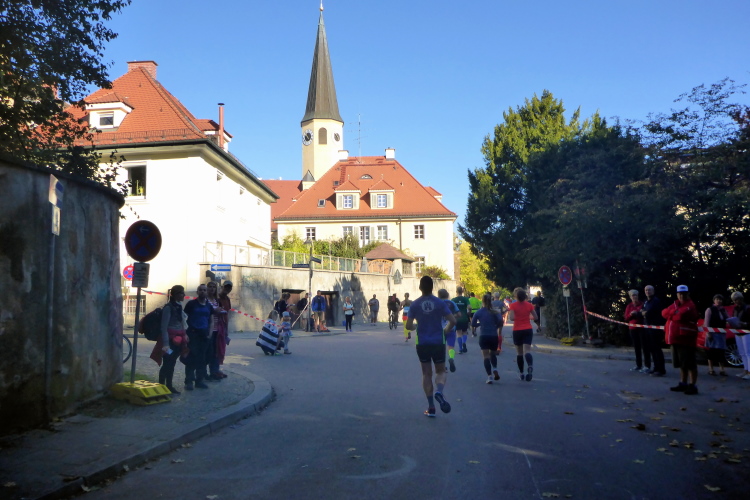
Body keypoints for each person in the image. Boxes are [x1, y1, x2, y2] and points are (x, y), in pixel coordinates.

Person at [405, 276, 456, 417]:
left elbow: (408, 325)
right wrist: (445, 331)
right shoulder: (440, 303)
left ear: (420, 287)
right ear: (432, 287)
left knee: (426, 374)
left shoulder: (415, 304)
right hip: (438, 342)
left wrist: (415, 327)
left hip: (422, 343)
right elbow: (453, 321)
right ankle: (439, 391)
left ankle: (431, 407)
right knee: (441, 371)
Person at [662, 285, 700, 395]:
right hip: (675, 338)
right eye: (680, 294)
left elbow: (681, 316)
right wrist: (673, 313)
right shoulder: (675, 304)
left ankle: (692, 385)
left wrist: (671, 314)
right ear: (677, 294)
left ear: (688, 294)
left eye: (684, 294)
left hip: (686, 339)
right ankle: (683, 383)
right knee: (681, 363)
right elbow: (663, 313)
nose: (682, 296)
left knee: (690, 363)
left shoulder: (690, 305)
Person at [150, 285, 187, 394]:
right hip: (169, 342)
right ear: (176, 294)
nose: (184, 295)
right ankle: (162, 385)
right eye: (182, 293)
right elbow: (164, 327)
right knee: (167, 363)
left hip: (177, 341)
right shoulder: (168, 308)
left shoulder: (178, 306)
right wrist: (166, 344)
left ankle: (169, 385)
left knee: (172, 362)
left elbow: (181, 323)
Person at [183, 284, 220, 390]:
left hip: (204, 335)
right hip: (193, 334)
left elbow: (211, 320)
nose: (203, 291)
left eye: (204, 290)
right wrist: (185, 333)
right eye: (200, 290)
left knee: (203, 359)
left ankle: (199, 380)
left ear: (206, 292)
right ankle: (189, 381)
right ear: (197, 292)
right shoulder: (191, 304)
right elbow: (184, 318)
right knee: (191, 358)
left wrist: (210, 333)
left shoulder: (209, 306)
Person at [471, 293, 504, 384]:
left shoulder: (479, 312)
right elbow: (500, 321)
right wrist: (496, 326)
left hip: (484, 335)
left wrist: (480, 324)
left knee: (486, 356)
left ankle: (489, 376)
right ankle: (495, 368)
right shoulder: (495, 312)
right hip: (493, 335)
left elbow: (473, 324)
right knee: (493, 354)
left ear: (482, 301)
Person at [508, 287, 538, 381]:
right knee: (527, 351)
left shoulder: (513, 305)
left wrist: (517, 315)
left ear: (516, 296)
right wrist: (528, 317)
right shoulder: (529, 305)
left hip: (517, 330)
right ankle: (530, 365)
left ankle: (521, 373)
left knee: (519, 353)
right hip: (528, 329)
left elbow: (512, 318)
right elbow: (536, 317)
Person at [641, 285, 666, 376]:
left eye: (649, 290)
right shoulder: (646, 301)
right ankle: (655, 367)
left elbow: (650, 313)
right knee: (652, 349)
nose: (648, 291)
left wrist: (645, 313)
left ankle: (661, 369)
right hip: (647, 328)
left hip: (655, 328)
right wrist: (644, 313)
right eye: (646, 290)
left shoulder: (656, 301)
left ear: (653, 291)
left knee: (657, 349)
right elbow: (642, 311)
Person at [625, 289, 650, 373]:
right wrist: (631, 314)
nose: (634, 297)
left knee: (645, 347)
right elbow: (626, 318)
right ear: (630, 297)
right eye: (632, 295)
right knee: (636, 347)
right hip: (633, 328)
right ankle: (638, 365)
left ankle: (647, 365)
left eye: (635, 295)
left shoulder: (642, 304)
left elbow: (644, 314)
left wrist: (638, 313)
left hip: (642, 328)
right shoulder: (629, 306)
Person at [704, 294, 729, 376]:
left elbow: (728, 319)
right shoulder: (710, 309)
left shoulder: (723, 310)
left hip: (721, 334)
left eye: (720, 299)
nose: (719, 301)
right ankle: (711, 369)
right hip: (712, 334)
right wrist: (708, 333)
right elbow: (706, 323)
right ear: (714, 300)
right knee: (711, 352)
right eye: (717, 299)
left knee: (721, 352)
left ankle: (722, 369)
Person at [437, 289, 460, 373]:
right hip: (451, 327)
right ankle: (451, 358)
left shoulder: (437, 303)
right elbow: (459, 314)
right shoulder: (452, 303)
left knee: (441, 348)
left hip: (439, 329)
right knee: (451, 346)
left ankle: (443, 366)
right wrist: (452, 316)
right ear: (447, 294)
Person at [729, 292, 750, 379]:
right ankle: (745, 370)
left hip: (746, 332)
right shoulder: (735, 309)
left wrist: (744, 324)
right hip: (737, 332)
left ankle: (749, 372)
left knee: (748, 353)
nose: (735, 302)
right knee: (742, 353)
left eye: (736, 299)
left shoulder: (747, 308)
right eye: (734, 300)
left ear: (741, 299)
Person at [452, 286, 471, 354]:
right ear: (462, 291)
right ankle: (464, 342)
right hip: (464, 318)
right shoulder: (465, 299)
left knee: (458, 333)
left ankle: (460, 349)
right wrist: (469, 312)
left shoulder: (453, 300)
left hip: (457, 318)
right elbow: (469, 307)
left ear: (456, 292)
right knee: (464, 332)